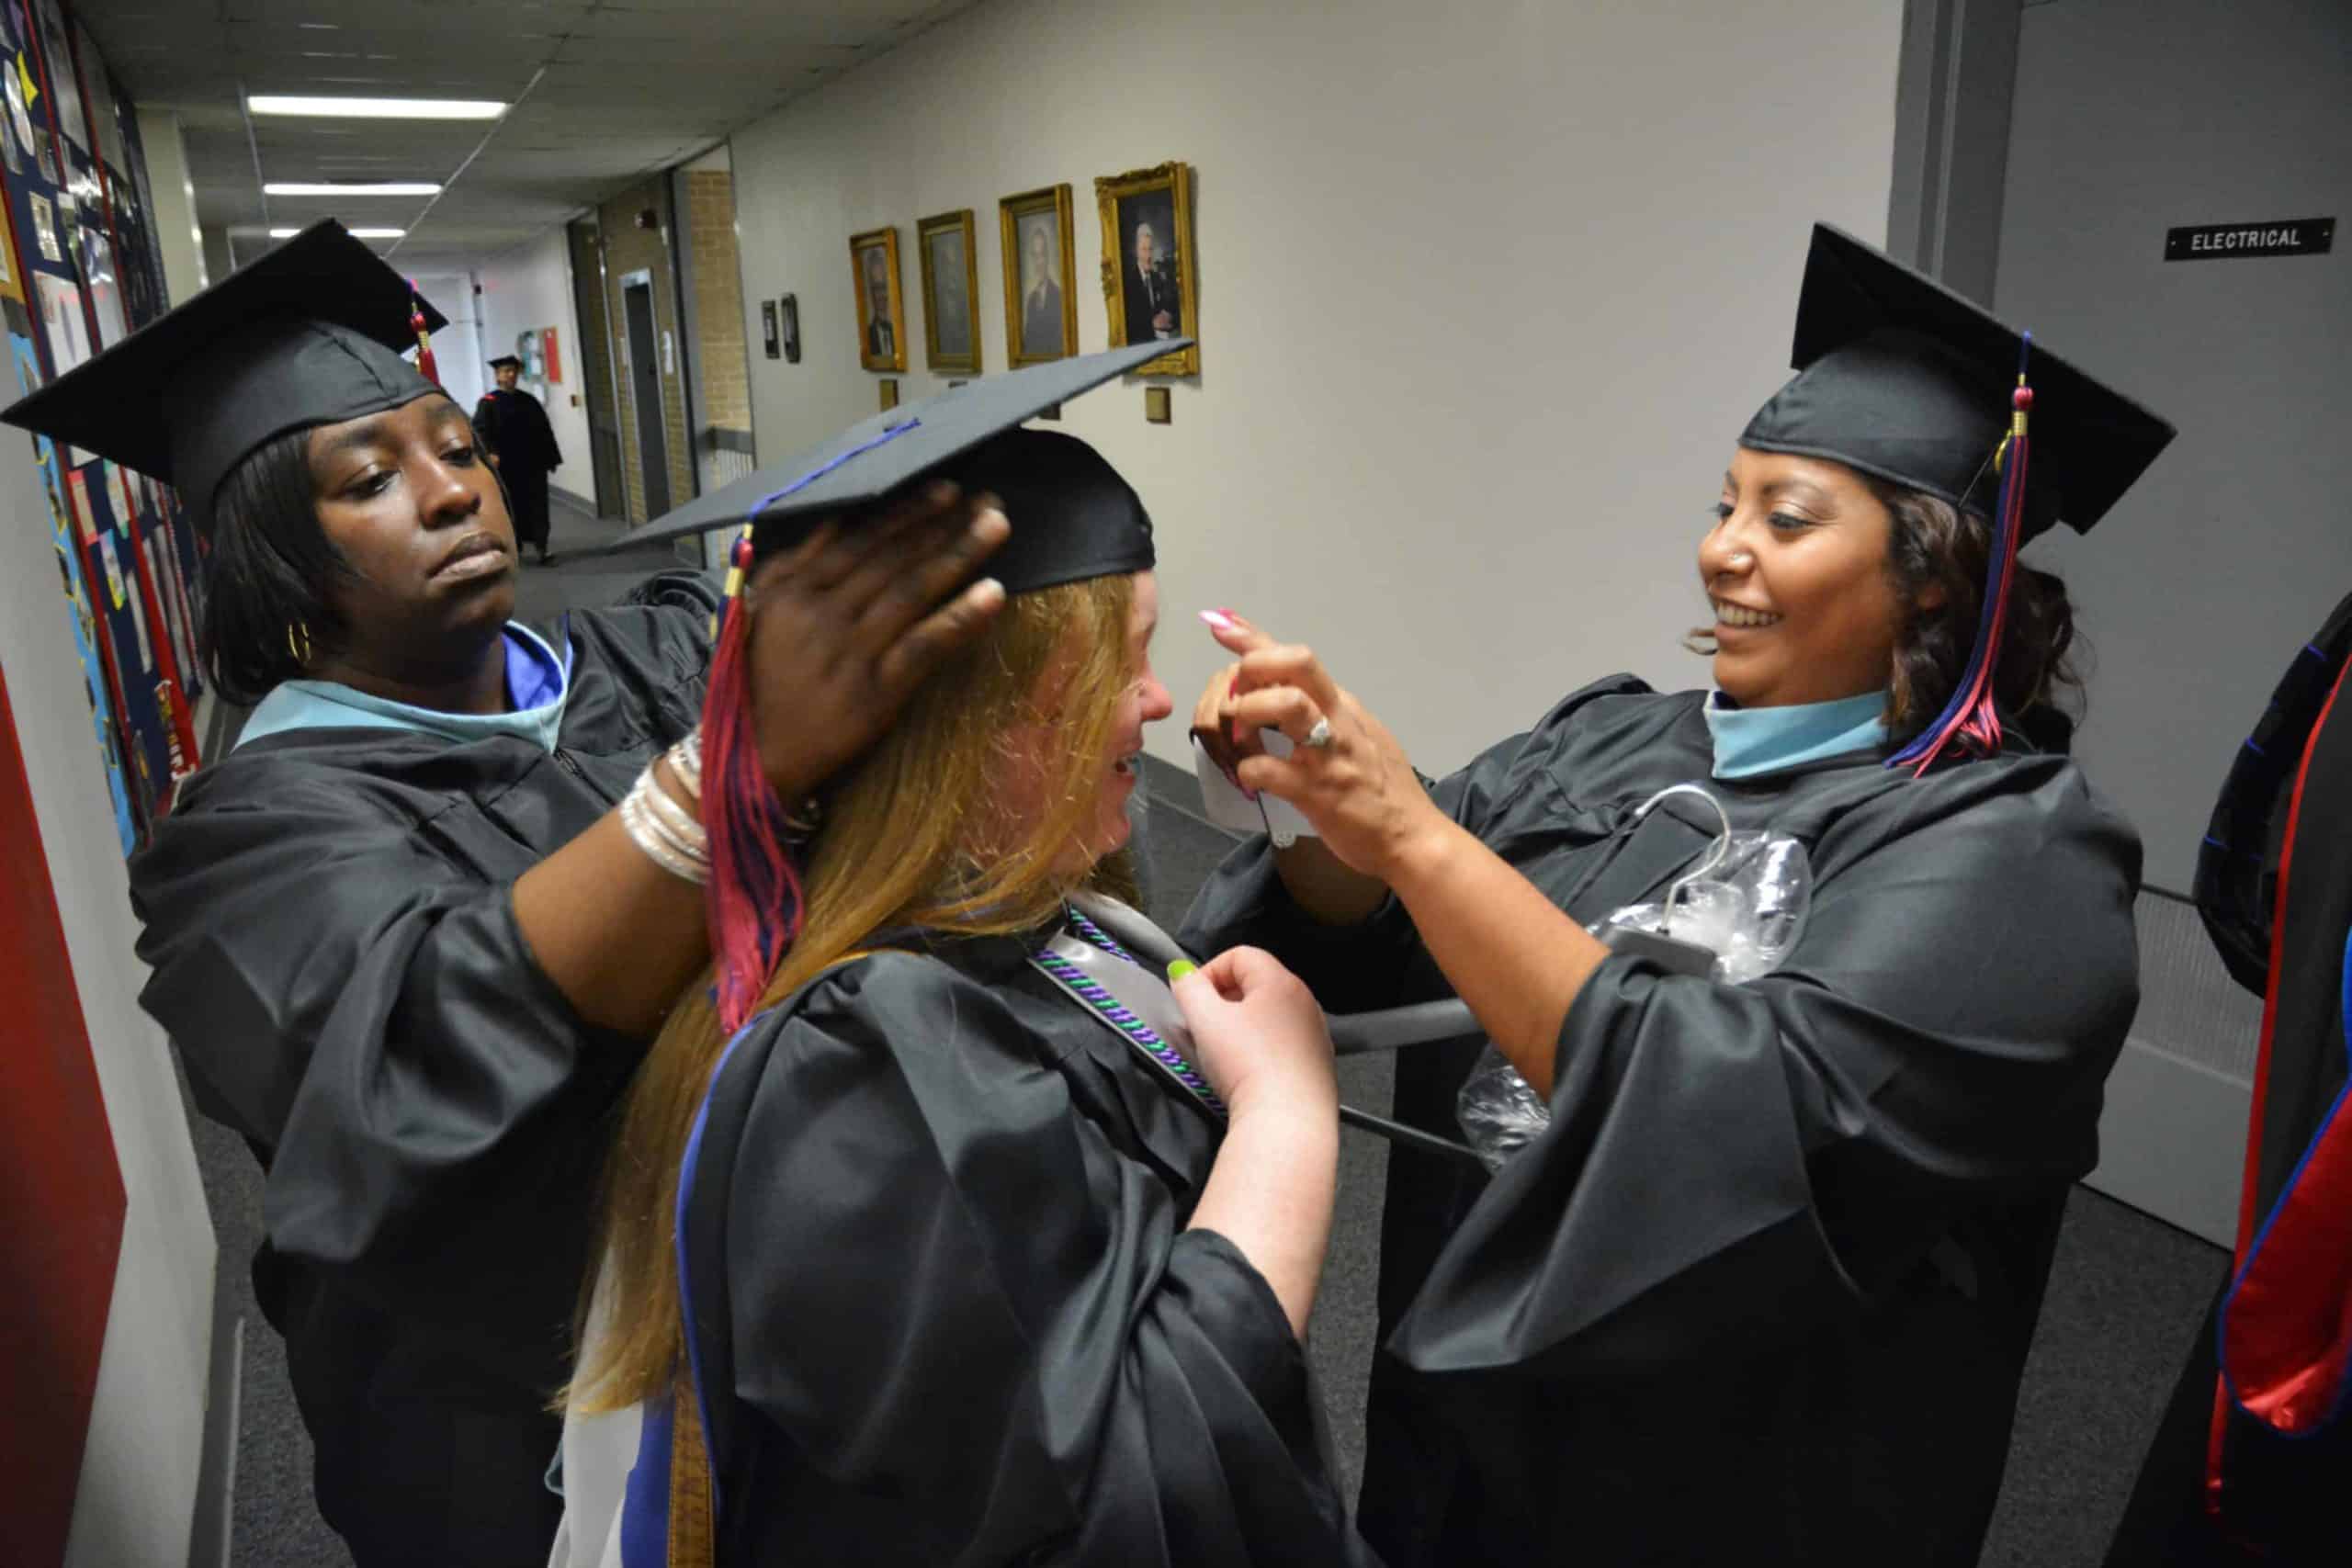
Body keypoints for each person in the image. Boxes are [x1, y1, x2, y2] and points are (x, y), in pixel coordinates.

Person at [0, 220, 1012, 1568]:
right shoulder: (251, 842)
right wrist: (715, 780)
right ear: (274, 561)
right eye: (370, 476)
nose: (450, 492)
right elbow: (413, 1044)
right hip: (508, 1440)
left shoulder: (641, 658)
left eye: (458, 447)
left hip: (793, 1333)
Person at [1179, 224, 2177, 1566]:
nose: (1722, 552)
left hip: (1728, 1491)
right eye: (1725, 503)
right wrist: (1307, 808)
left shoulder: (2017, 861)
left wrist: (1410, 827)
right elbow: (1378, 932)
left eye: (1786, 516)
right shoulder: (1611, 737)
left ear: (1933, 567)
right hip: (1462, 1427)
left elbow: (1737, 1125)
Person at [552, 347, 1371, 1565]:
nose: (1157, 700)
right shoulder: (861, 1076)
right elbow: (1133, 1491)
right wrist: (1288, 1119)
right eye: (1119, 660)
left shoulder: (1026, 918)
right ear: (982, 716)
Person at [474, 353, 563, 564]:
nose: (511, 375)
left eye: (514, 371)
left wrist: (551, 458)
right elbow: (480, 432)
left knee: (538, 506)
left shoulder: (529, 401)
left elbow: (544, 431)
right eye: (506, 371)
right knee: (509, 507)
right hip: (506, 466)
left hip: (532, 465)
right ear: (497, 375)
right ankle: (514, 548)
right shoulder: (488, 403)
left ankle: (542, 548)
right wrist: (490, 452)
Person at [1124, 220, 1178, 345]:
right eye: (1144, 250)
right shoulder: (1128, 283)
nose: (1148, 256)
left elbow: (1169, 308)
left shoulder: (1157, 278)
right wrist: (1152, 323)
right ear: (1136, 251)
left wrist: (1168, 315)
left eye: (1150, 249)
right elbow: (1128, 323)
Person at [1023, 221, 1065, 356]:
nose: (1038, 262)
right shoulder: (1031, 301)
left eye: (1042, 255)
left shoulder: (1059, 296)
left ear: (1047, 257)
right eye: (1035, 256)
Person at [864, 246, 897, 361]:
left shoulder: (896, 333)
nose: (883, 295)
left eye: (884, 287)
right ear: (870, 293)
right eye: (877, 288)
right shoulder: (867, 337)